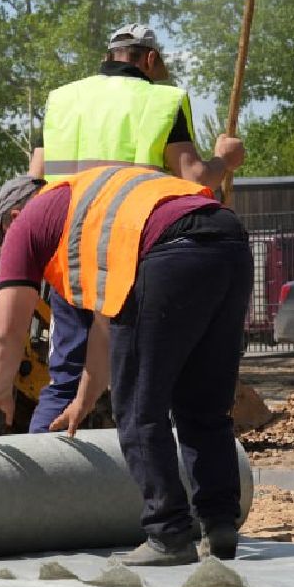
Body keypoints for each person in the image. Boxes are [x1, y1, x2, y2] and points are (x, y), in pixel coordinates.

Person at [0, 164, 253, 566]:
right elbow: (108, 321)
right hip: (229, 240)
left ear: (13, 217)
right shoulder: (95, 205)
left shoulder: (29, 223)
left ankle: (167, 533)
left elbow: (6, 325)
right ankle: (220, 524)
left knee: (139, 407)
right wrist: (84, 399)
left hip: (170, 250)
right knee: (203, 404)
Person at [19, 24, 245, 434]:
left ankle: (42, 474)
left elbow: (37, 176)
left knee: (67, 368)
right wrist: (224, 160)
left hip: (68, 246)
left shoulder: (63, 100)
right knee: (137, 371)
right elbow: (194, 177)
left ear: (109, 54)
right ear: (150, 58)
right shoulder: (161, 101)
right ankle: (145, 466)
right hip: (131, 244)